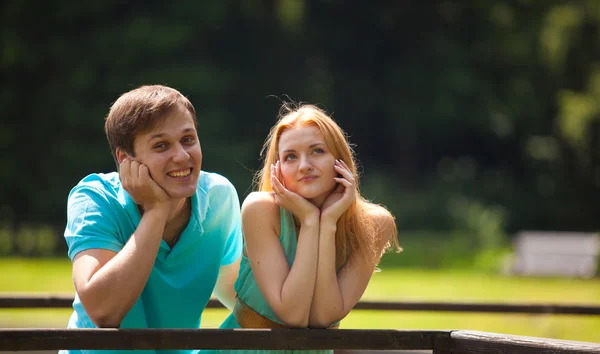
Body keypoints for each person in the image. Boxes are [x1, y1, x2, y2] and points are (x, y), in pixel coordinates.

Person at [60, 85, 243, 354]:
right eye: (161, 145)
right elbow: (104, 312)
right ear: (125, 159)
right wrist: (156, 210)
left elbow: (234, 291)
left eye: (188, 139)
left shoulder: (219, 197)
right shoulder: (93, 199)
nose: (182, 155)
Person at [212, 103, 401, 354]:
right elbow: (292, 314)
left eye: (317, 151)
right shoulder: (260, 210)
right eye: (290, 156)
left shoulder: (375, 223)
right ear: (277, 168)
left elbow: (324, 317)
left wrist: (328, 223)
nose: (304, 165)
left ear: (340, 159)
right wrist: (311, 221)